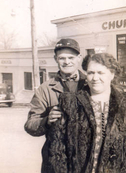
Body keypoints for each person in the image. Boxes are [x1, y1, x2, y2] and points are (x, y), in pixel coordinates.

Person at [42, 53, 126, 172]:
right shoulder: (70, 102)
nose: (95, 78)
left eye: (100, 73)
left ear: (112, 74)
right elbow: (57, 151)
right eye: (90, 73)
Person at [24, 38, 86, 172]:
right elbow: (30, 125)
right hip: (56, 157)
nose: (67, 62)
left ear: (79, 58)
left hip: (87, 156)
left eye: (71, 57)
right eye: (62, 58)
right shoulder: (45, 89)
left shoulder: (90, 84)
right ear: (55, 59)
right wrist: (47, 120)